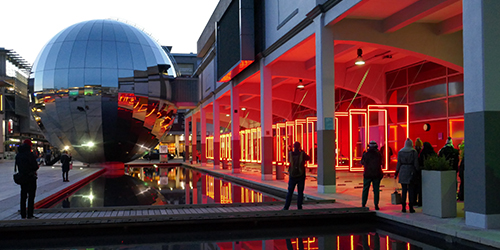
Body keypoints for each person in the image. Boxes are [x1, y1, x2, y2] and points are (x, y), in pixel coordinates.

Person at [283, 141, 310, 210]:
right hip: (301, 175)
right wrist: (302, 151)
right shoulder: (302, 154)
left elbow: (289, 161)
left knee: (290, 192)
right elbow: (308, 158)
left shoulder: (290, 154)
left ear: (293, 146)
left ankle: (286, 207)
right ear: (299, 147)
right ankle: (299, 207)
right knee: (300, 192)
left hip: (292, 176)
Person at [16, 139, 39, 219]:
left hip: (22, 177)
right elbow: (35, 166)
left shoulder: (18, 155)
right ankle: (30, 214)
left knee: (23, 196)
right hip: (30, 178)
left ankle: (23, 214)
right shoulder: (30, 154)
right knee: (31, 197)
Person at [394, 138, 419, 213]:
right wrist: (417, 171)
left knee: (404, 190)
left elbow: (398, 163)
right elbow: (416, 163)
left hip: (402, 171)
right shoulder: (413, 152)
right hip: (411, 171)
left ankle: (403, 207)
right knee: (411, 190)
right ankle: (411, 207)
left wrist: (396, 172)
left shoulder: (400, 152)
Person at [360, 141, 383, 210]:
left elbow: (362, 162)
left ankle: (363, 203)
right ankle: (376, 204)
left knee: (365, 189)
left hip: (367, 174)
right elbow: (381, 162)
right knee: (376, 190)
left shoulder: (365, 154)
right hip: (376, 174)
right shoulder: (379, 154)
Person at [415, 142, 436, 206]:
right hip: (431, 173)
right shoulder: (433, 153)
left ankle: (420, 201)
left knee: (421, 188)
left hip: (422, 173)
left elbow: (419, 162)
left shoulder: (422, 153)